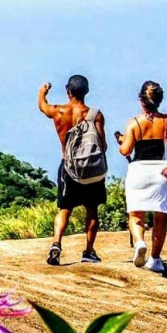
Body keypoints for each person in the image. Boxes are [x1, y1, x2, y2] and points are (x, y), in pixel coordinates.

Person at [115, 81, 167, 273]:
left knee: (136, 215)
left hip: (138, 171)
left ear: (140, 101)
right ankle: (155, 259)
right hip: (162, 171)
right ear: (159, 100)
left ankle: (139, 243)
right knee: (161, 218)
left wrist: (122, 141)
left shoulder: (134, 123)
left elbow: (125, 150)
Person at [38, 75, 106, 266]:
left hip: (68, 167)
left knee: (64, 209)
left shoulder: (58, 112)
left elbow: (43, 106)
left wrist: (42, 91)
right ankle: (89, 251)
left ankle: (56, 244)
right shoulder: (95, 115)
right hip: (92, 171)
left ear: (68, 91)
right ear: (87, 91)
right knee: (92, 211)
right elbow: (103, 145)